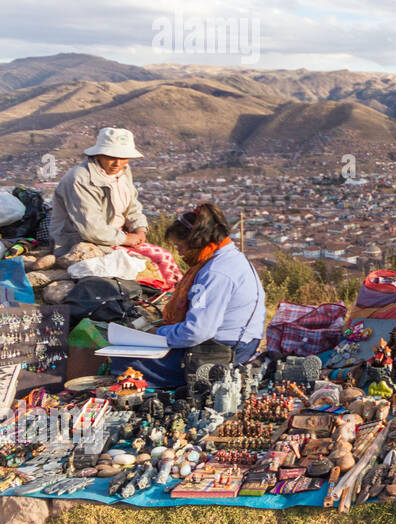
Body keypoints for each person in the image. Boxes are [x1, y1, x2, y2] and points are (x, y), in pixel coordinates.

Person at [114, 203, 266, 389]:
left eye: (180, 247)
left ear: (196, 241)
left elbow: (198, 331)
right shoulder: (229, 258)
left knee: (123, 363)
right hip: (241, 343)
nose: (180, 253)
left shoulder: (216, 273)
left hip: (224, 352)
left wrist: (157, 334)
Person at [49, 127, 148, 251]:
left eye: (123, 158)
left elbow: (132, 207)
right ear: (99, 155)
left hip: (114, 236)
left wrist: (140, 230)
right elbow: (90, 227)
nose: (117, 163)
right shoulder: (81, 179)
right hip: (81, 240)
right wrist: (126, 239)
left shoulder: (123, 172)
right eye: (111, 157)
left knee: (164, 257)